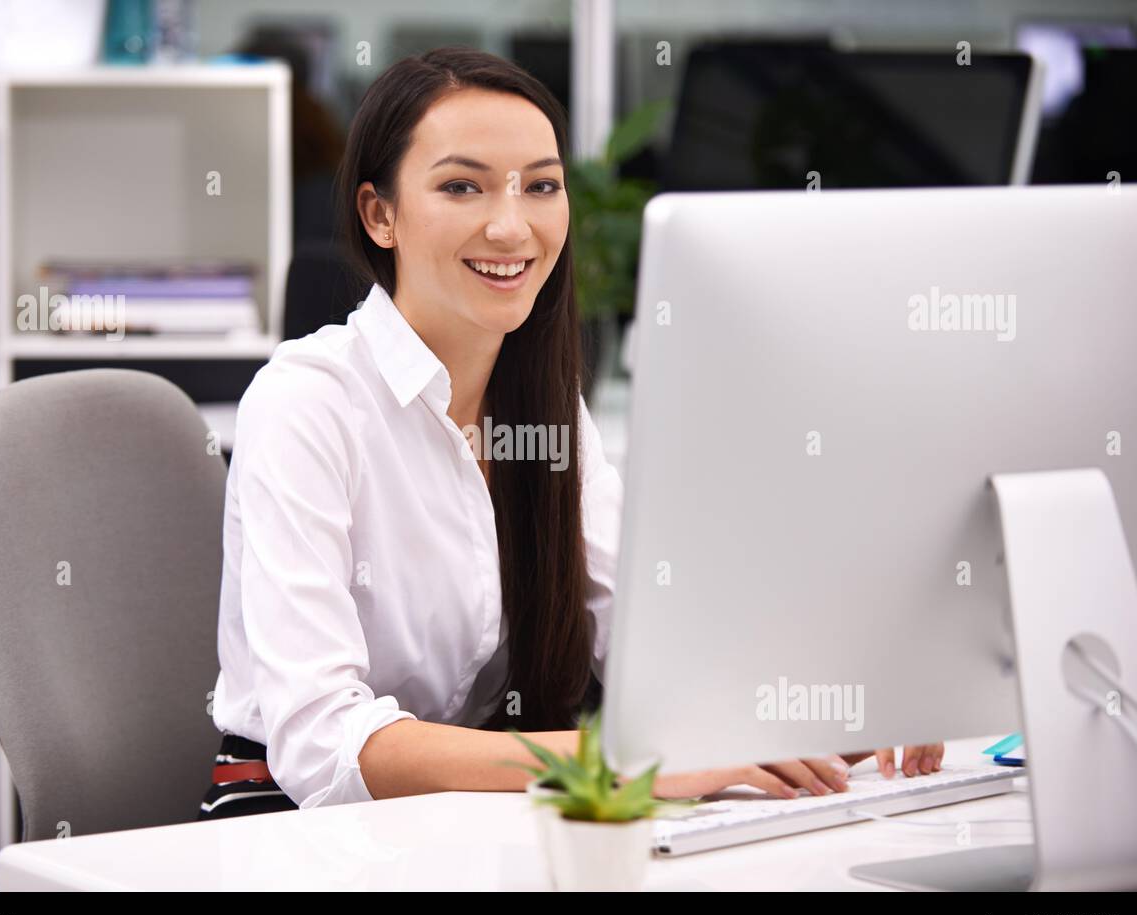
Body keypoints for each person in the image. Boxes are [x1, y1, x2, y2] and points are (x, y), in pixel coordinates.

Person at [199, 46, 941, 821]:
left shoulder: (546, 407)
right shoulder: (307, 403)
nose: (512, 225)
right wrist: (625, 760)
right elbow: (325, 745)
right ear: (379, 214)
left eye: (542, 186)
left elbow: (648, 642)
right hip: (291, 822)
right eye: (462, 186)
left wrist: (834, 715)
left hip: (464, 814)